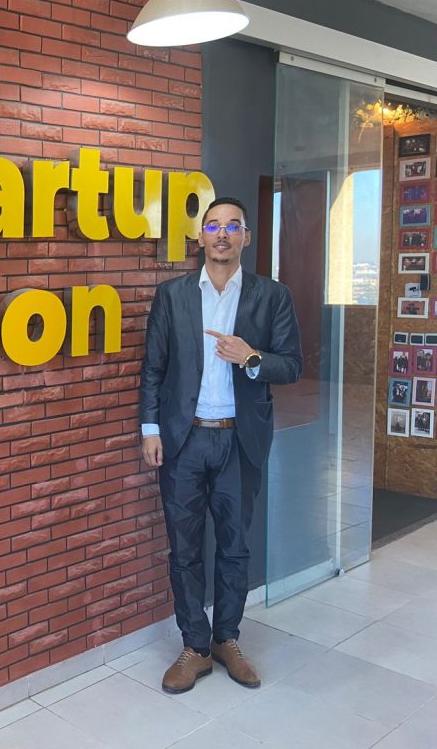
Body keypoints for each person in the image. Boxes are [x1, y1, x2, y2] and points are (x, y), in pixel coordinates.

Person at [139, 197, 303, 694]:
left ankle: (227, 639)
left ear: (246, 237)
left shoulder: (271, 296)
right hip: (184, 440)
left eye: (233, 226)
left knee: (234, 547)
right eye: (213, 226)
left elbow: (291, 365)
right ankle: (195, 646)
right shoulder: (172, 295)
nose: (223, 234)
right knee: (184, 548)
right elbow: (154, 368)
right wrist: (150, 429)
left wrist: (251, 357)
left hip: (238, 440)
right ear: (201, 237)